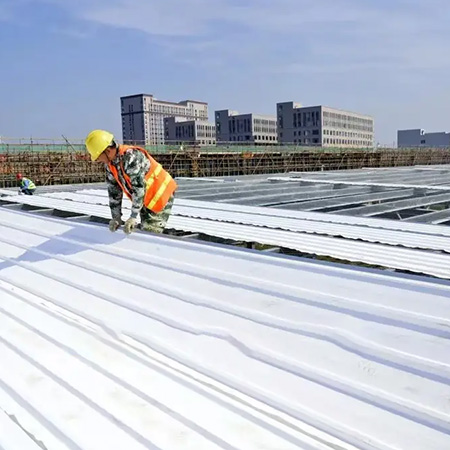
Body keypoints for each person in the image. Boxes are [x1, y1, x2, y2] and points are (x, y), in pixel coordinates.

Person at [85, 129, 177, 235]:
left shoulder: (131, 157)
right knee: (144, 229)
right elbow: (114, 193)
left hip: (160, 194)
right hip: (146, 197)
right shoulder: (111, 165)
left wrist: (133, 217)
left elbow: (138, 188)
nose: (97, 160)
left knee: (150, 232)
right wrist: (116, 217)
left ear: (108, 151)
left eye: (98, 157)